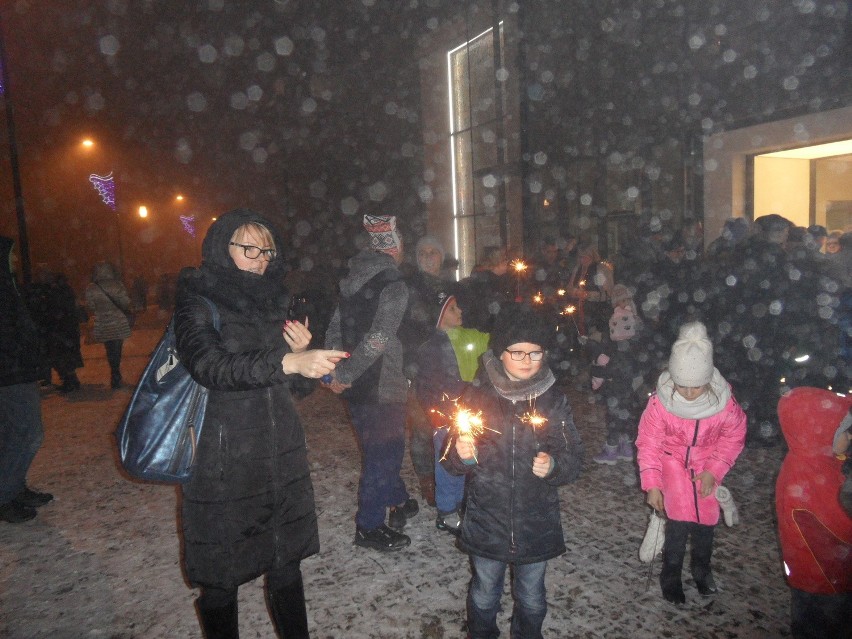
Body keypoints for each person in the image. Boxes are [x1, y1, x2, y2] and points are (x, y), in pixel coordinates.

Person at [172, 209, 347, 638]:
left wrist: (303, 361)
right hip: (222, 456)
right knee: (221, 575)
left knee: (285, 561)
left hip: (278, 451)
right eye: (248, 248)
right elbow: (210, 366)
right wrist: (288, 360)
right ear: (221, 248)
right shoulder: (199, 300)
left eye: (266, 249)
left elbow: (288, 386)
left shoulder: (275, 302)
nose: (260, 258)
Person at [442, 302, 584, 638]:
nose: (526, 361)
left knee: (532, 597)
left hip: (536, 520)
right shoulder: (477, 397)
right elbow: (451, 457)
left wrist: (554, 466)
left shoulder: (552, 400)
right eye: (517, 352)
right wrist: (463, 455)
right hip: (487, 518)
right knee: (484, 591)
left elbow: (574, 455)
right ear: (499, 353)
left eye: (535, 353)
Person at [323, 214, 419, 552]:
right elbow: (380, 338)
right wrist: (343, 374)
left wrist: (335, 371)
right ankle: (369, 526)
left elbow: (335, 325)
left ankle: (398, 498)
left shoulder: (352, 280)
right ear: (394, 247)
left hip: (356, 385)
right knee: (385, 454)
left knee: (377, 450)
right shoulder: (393, 283)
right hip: (382, 384)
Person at [636, 321, 746, 604]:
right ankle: (670, 576)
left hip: (706, 468)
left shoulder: (724, 405)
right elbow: (649, 444)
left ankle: (702, 570)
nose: (687, 392)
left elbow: (732, 438)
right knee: (678, 524)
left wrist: (714, 470)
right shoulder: (660, 404)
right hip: (672, 466)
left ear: (708, 379)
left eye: (695, 387)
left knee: (705, 525)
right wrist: (652, 484)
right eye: (681, 385)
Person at [776, 387, 851, 639]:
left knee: (808, 621)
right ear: (820, 435)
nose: (849, 438)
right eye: (844, 432)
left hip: (812, 572)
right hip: (825, 577)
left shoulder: (809, 460)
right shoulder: (810, 478)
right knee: (824, 627)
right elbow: (841, 525)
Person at [415, 290, 489, 535]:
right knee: (448, 460)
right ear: (439, 315)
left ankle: (460, 505)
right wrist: (438, 412)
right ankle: (446, 510)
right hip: (446, 414)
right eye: (453, 309)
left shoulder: (459, 339)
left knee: (464, 457)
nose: (460, 312)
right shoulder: (431, 347)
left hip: (466, 411)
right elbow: (427, 386)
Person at [0, 236, 54, 523]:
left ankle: (13, 487)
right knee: (28, 433)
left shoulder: (10, 287)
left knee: (12, 434)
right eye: (11, 255)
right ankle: (5, 494)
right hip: (10, 373)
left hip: (17, 369)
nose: (16, 260)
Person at [588, 284, 654, 464]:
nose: (620, 304)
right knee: (626, 413)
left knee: (615, 414)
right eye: (617, 301)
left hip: (619, 380)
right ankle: (626, 445)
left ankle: (612, 449)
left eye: (623, 300)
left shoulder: (622, 326)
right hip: (629, 379)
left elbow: (609, 357)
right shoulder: (636, 326)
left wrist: (600, 366)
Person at [85, 261, 132, 389]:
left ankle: (114, 371)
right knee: (117, 348)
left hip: (103, 322)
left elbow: (91, 306)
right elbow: (125, 302)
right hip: (117, 321)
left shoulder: (92, 287)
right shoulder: (117, 285)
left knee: (109, 348)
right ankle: (116, 374)